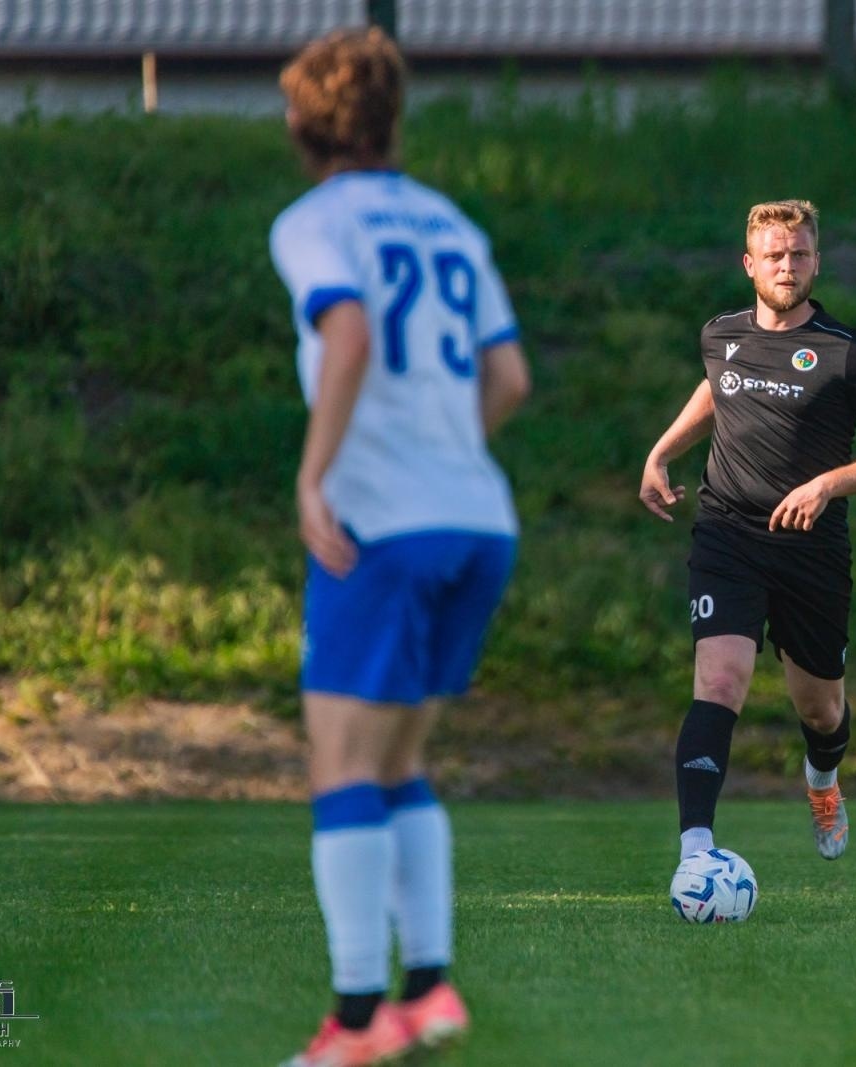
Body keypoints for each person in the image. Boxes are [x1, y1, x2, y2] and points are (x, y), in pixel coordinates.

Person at [268, 27, 531, 1067]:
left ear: (303, 124)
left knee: (341, 766)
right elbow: (508, 380)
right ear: (391, 119)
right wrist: (442, 452)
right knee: (400, 761)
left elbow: (349, 334)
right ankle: (427, 991)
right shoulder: (450, 220)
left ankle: (356, 1018)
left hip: (380, 526)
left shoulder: (313, 221)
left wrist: (313, 477)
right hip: (478, 517)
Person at [639, 199, 856, 870]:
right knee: (719, 680)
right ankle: (696, 854)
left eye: (799, 255)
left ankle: (822, 779)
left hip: (810, 551)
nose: (786, 266)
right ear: (750, 264)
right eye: (774, 255)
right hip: (727, 535)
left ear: (816, 262)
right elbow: (720, 388)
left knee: (821, 711)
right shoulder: (720, 334)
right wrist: (663, 451)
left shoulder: (847, 354)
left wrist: (827, 485)